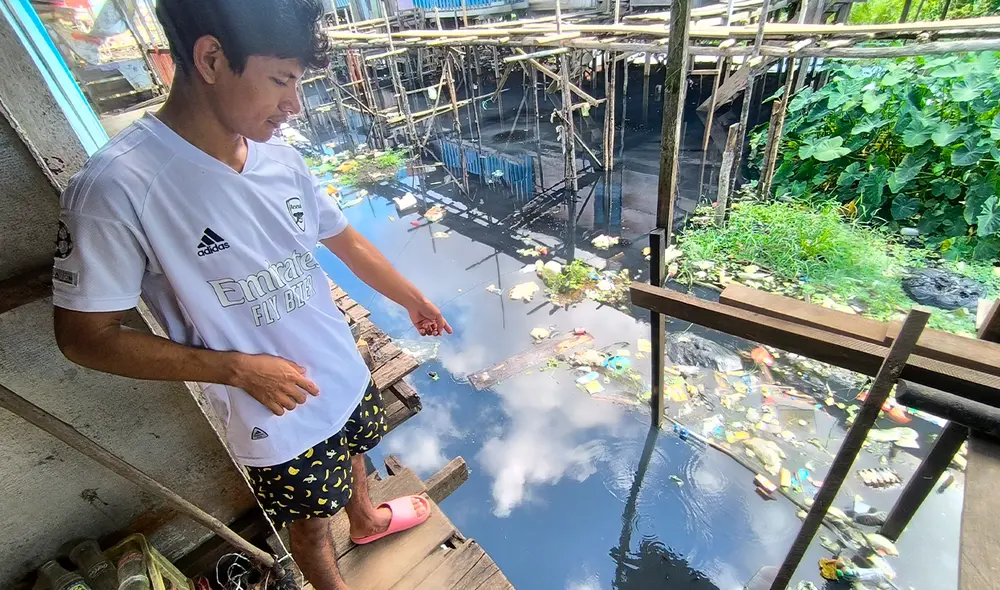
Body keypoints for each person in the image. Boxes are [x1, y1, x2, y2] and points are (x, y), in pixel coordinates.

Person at [51, 1, 450, 589]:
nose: (295, 104)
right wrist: (236, 370)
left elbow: (343, 239)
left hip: (340, 365)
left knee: (358, 446)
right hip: (272, 410)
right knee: (310, 523)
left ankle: (364, 519)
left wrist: (412, 297)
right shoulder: (116, 187)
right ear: (211, 58)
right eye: (281, 80)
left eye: (299, 82)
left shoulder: (282, 158)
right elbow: (83, 338)